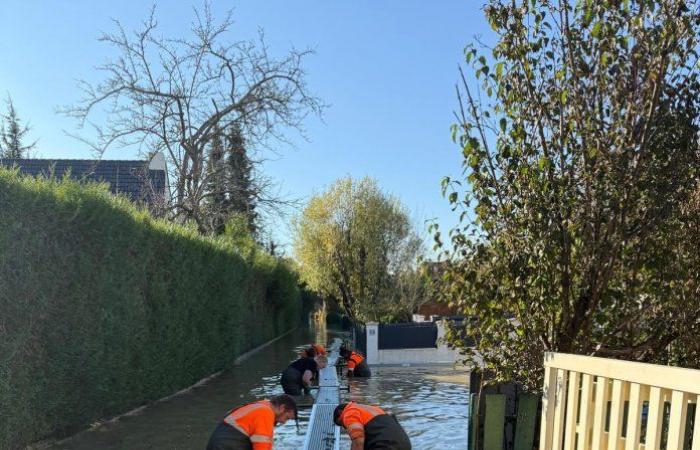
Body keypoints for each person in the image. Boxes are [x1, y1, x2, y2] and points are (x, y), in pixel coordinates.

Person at [206, 394, 298, 450]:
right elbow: (261, 446)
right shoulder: (265, 413)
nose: (283, 422)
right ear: (282, 408)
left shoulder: (262, 405)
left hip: (220, 444)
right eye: (287, 418)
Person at [333, 402, 411, 450]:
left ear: (340, 412)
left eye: (342, 423)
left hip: (386, 445)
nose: (345, 427)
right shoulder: (372, 409)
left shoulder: (349, 412)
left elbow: (358, 441)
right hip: (405, 443)